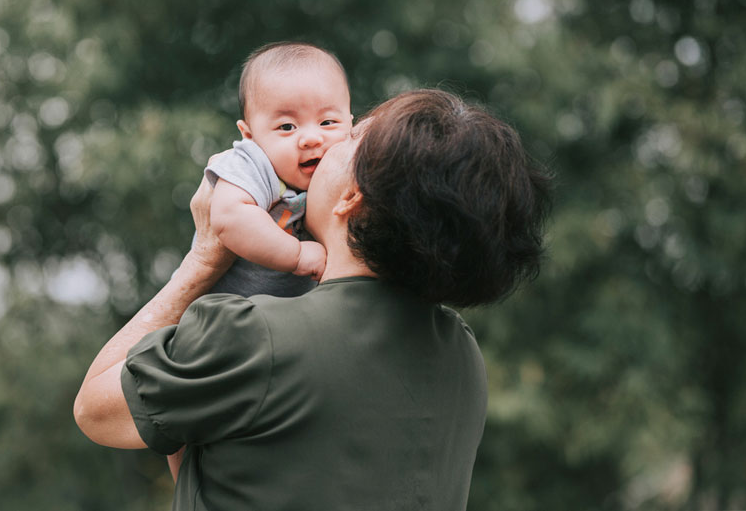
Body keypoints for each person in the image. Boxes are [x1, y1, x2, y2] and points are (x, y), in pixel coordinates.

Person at [74, 89, 552, 511]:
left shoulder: (253, 335)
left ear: (353, 197)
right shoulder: (462, 353)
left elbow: (96, 409)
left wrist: (203, 261)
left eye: (347, 137)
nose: (321, 144)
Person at [202, 41, 352, 298]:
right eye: (287, 127)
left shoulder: (349, 163)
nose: (311, 138)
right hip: (220, 314)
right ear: (249, 135)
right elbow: (228, 216)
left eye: (327, 122)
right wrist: (297, 255)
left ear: (351, 123)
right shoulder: (253, 163)